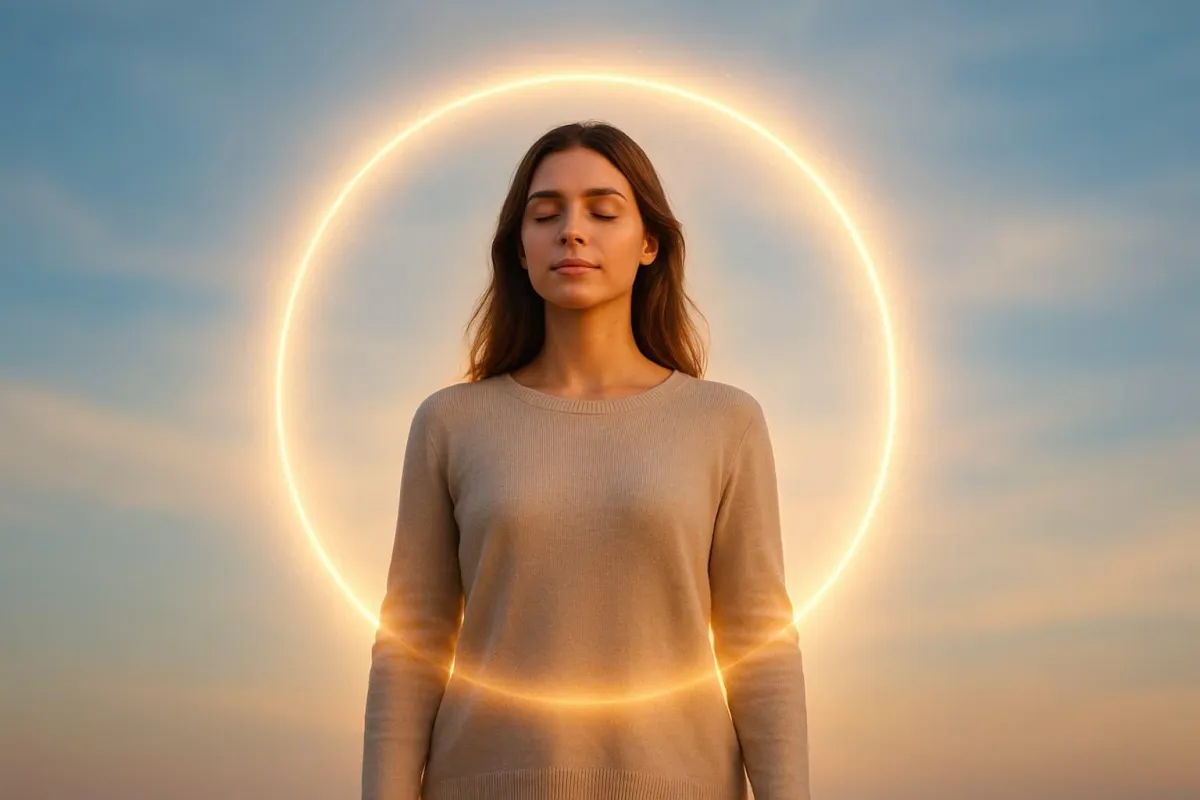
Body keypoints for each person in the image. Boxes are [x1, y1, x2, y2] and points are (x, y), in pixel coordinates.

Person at [362, 120, 810, 800]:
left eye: (604, 212)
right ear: (519, 247)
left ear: (650, 243)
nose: (573, 231)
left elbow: (759, 643)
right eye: (545, 215)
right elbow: (410, 645)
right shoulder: (449, 423)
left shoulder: (726, 421)